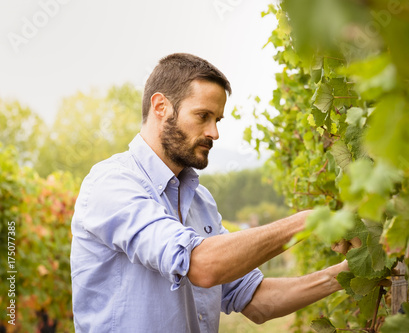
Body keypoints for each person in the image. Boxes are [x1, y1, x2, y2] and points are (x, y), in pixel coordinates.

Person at [70, 53, 353, 333]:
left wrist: (350, 272)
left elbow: (256, 301)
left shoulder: (200, 201)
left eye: (217, 119)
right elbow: (202, 265)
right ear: (160, 107)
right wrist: (309, 222)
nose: (214, 132)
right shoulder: (111, 184)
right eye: (203, 116)